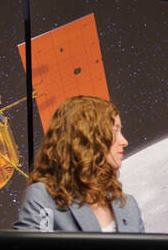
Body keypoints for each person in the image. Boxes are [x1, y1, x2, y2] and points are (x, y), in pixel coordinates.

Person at [14, 95, 145, 232]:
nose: (124, 141)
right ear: (88, 137)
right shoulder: (42, 198)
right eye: (115, 131)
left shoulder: (129, 207)